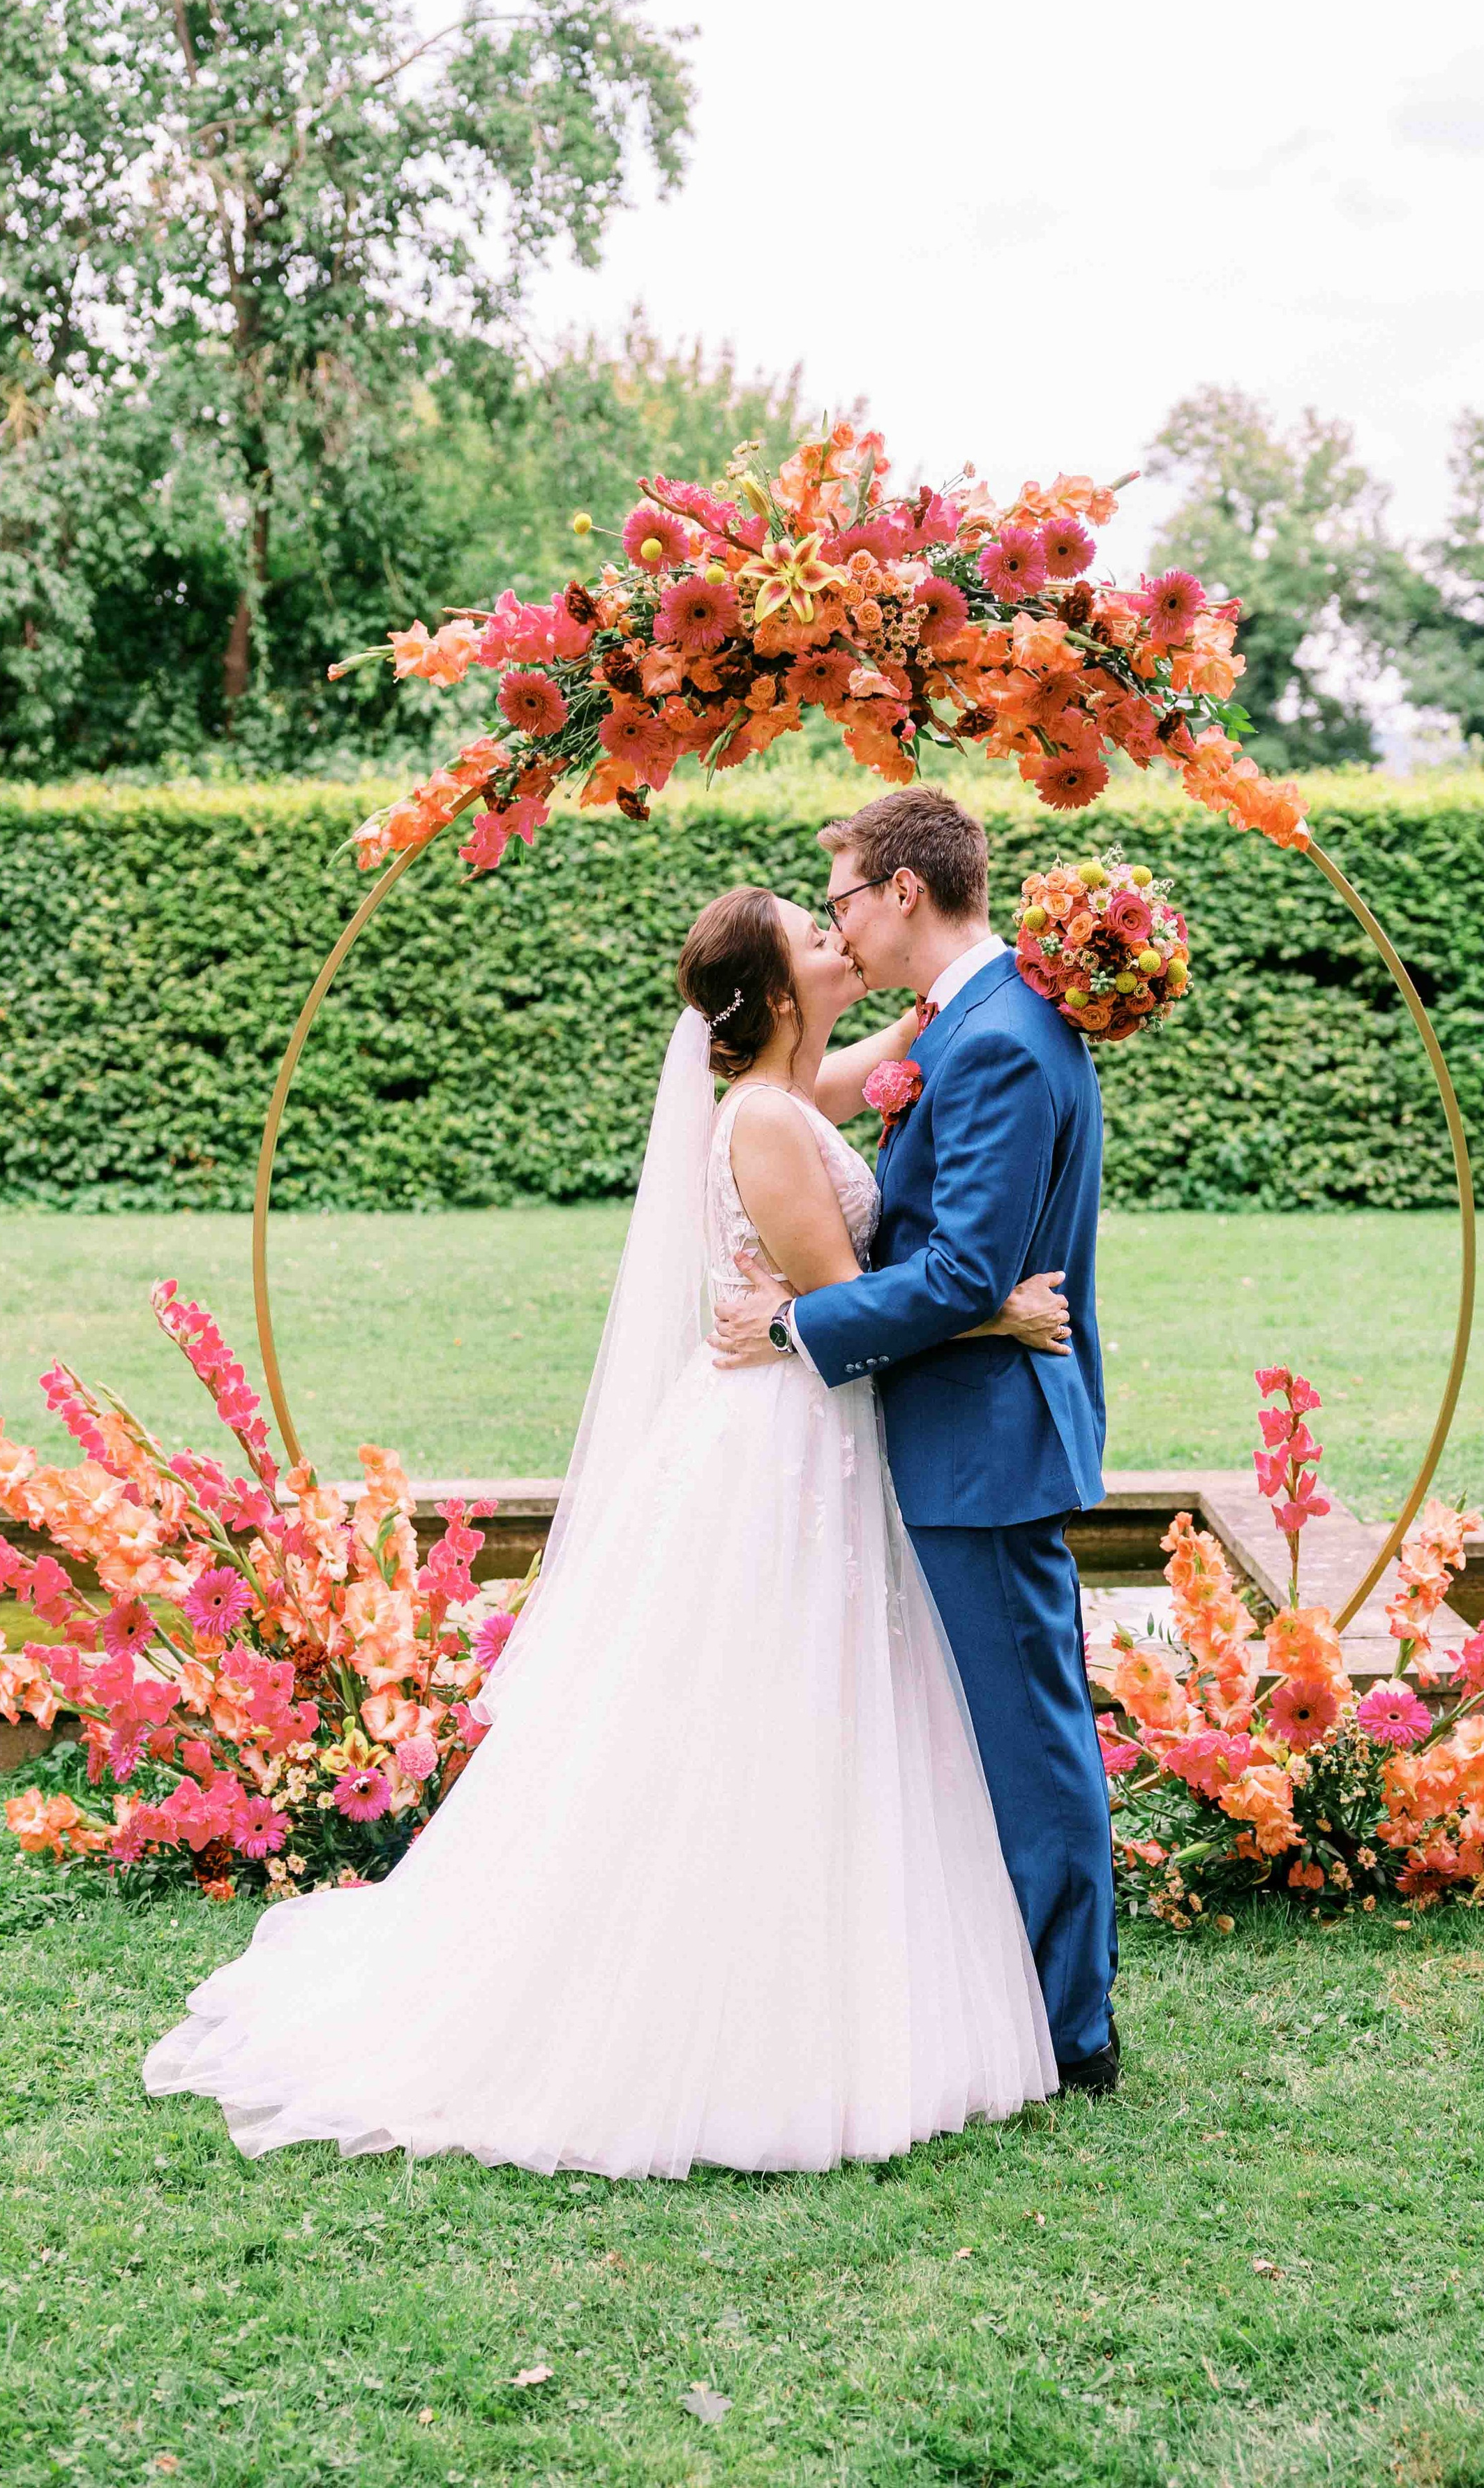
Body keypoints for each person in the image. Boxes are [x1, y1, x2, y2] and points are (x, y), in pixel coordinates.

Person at [143, 883, 1074, 2177]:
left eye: (840, 915)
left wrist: (1020, 974)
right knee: (756, 1716)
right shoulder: (762, 1120)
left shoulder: (799, 1089)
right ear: (772, 994)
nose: (837, 937)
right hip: (781, 1443)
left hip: (805, 1430)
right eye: (816, 936)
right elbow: (848, 1305)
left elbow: (915, 1049)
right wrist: (997, 1313)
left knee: (815, 1709)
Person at [712, 789, 1119, 2094]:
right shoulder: (966, 1022)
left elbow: (958, 1269)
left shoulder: (996, 1037)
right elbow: (950, 1259)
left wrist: (792, 1326)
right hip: (955, 1427)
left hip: (982, 1444)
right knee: (981, 1731)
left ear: (900, 890)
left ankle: (1072, 2031)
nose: (835, 922)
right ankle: (1012, 1998)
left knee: (1029, 1737)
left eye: (840, 898)